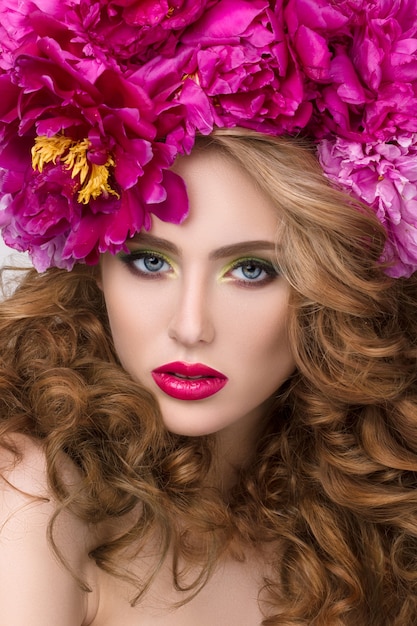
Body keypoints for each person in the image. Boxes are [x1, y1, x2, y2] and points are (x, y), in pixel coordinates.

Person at [0, 1, 417, 624]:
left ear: (330, 286)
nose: (190, 326)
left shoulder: (365, 513)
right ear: (96, 271)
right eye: (149, 262)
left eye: (251, 269)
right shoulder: (36, 497)